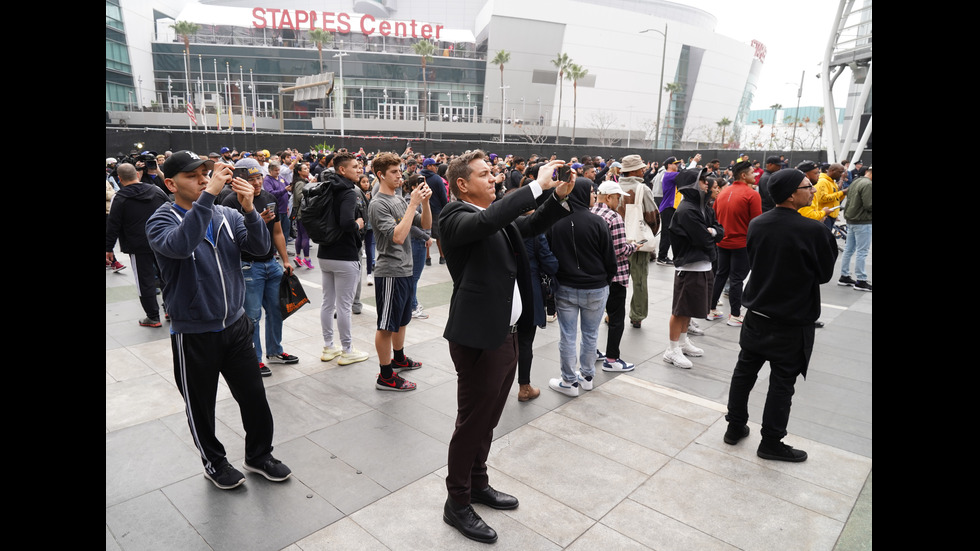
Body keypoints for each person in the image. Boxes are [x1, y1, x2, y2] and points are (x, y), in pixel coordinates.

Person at [440, 152, 571, 544]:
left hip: (506, 333)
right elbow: (490, 220)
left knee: (489, 418)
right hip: (480, 338)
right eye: (484, 174)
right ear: (462, 184)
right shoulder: (455, 216)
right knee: (472, 424)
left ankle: (478, 484)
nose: (493, 178)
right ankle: (457, 502)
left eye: (493, 172)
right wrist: (535, 186)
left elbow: (527, 226)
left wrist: (557, 198)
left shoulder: (493, 216)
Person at [147, 151, 291, 490]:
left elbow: (258, 248)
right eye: (192, 176)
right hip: (194, 332)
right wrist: (210, 194)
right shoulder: (161, 220)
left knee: (255, 398)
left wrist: (250, 209)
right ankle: (214, 462)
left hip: (236, 326)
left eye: (205, 173)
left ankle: (258, 455)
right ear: (170, 183)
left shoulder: (226, 214)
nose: (202, 179)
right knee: (201, 406)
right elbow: (181, 245)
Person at [723, 168, 838, 462]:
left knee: (744, 373)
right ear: (790, 194)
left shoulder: (758, 223)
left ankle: (734, 427)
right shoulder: (815, 231)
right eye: (807, 185)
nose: (813, 189)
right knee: (782, 382)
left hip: (758, 314)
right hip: (792, 320)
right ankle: (771, 442)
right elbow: (824, 275)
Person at [222, 158, 299, 376]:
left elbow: (278, 232)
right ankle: (254, 359)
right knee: (252, 315)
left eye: (259, 178)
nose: (256, 184)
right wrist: (255, 221)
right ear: (239, 182)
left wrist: (285, 259)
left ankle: (275, 351)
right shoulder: (229, 202)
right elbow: (231, 240)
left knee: (276, 310)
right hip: (248, 266)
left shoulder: (269, 198)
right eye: (250, 179)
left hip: (271, 263)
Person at [547, 177, 617, 397]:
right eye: (591, 192)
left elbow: (549, 256)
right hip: (595, 288)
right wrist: (605, 280)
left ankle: (568, 381)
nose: (594, 195)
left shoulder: (555, 222)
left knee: (567, 335)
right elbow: (610, 259)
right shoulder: (598, 222)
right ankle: (587, 377)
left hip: (566, 286)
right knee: (590, 334)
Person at [368, 152, 431, 391]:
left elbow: (424, 225)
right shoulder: (378, 204)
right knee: (386, 325)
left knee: (402, 320)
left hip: (405, 269)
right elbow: (397, 236)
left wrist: (423, 202)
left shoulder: (400, 200)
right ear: (380, 175)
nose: (399, 176)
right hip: (390, 271)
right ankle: (385, 375)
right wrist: (413, 203)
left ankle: (399, 358)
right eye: (394, 172)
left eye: (399, 170)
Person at [663, 168, 724, 369]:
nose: (707, 184)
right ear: (692, 185)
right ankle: (672, 350)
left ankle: (682, 342)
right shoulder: (687, 210)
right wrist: (712, 235)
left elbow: (719, 231)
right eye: (703, 180)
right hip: (690, 267)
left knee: (687, 309)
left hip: (702, 264)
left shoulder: (704, 208)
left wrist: (713, 232)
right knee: (680, 310)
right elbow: (703, 239)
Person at [317, 152, 371, 365]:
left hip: (325, 253)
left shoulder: (327, 186)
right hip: (344, 256)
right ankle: (347, 349)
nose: (360, 169)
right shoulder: (348, 192)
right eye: (355, 166)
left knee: (327, 303)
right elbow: (346, 223)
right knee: (345, 306)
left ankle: (329, 347)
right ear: (342, 170)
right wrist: (359, 224)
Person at [105, 162, 169, 326]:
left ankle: (153, 317)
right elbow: (171, 210)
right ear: (138, 174)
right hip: (162, 241)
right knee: (167, 275)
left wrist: (108, 248)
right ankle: (171, 309)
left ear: (119, 179)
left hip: (137, 246)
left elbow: (113, 225)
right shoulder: (156, 190)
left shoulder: (119, 198)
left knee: (144, 281)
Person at [590, 181, 638, 371]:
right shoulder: (613, 217)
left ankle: (591, 351)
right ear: (609, 197)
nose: (619, 202)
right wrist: (634, 246)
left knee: (592, 319)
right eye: (618, 198)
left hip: (594, 276)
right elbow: (619, 250)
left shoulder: (590, 213)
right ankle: (612, 359)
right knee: (616, 318)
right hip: (615, 276)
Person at [708, 161, 762, 326]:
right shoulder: (752, 195)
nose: (756, 175)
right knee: (737, 279)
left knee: (721, 275)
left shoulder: (724, 193)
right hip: (741, 244)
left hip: (722, 242)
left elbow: (715, 216)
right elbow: (756, 223)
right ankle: (735, 315)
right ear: (744, 175)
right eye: (753, 173)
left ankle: (711, 310)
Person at [616, 154, 660, 328]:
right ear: (633, 170)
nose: (644, 169)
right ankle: (637, 315)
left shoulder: (613, 186)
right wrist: (650, 232)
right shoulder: (642, 189)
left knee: (614, 279)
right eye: (641, 167)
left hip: (615, 241)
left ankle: (610, 313)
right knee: (639, 279)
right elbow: (653, 216)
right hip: (637, 242)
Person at [838, 166, 872, 291]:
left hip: (851, 220)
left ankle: (844, 276)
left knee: (849, 249)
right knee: (862, 251)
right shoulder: (868, 184)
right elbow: (869, 205)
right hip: (863, 221)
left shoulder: (856, 181)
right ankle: (861, 280)